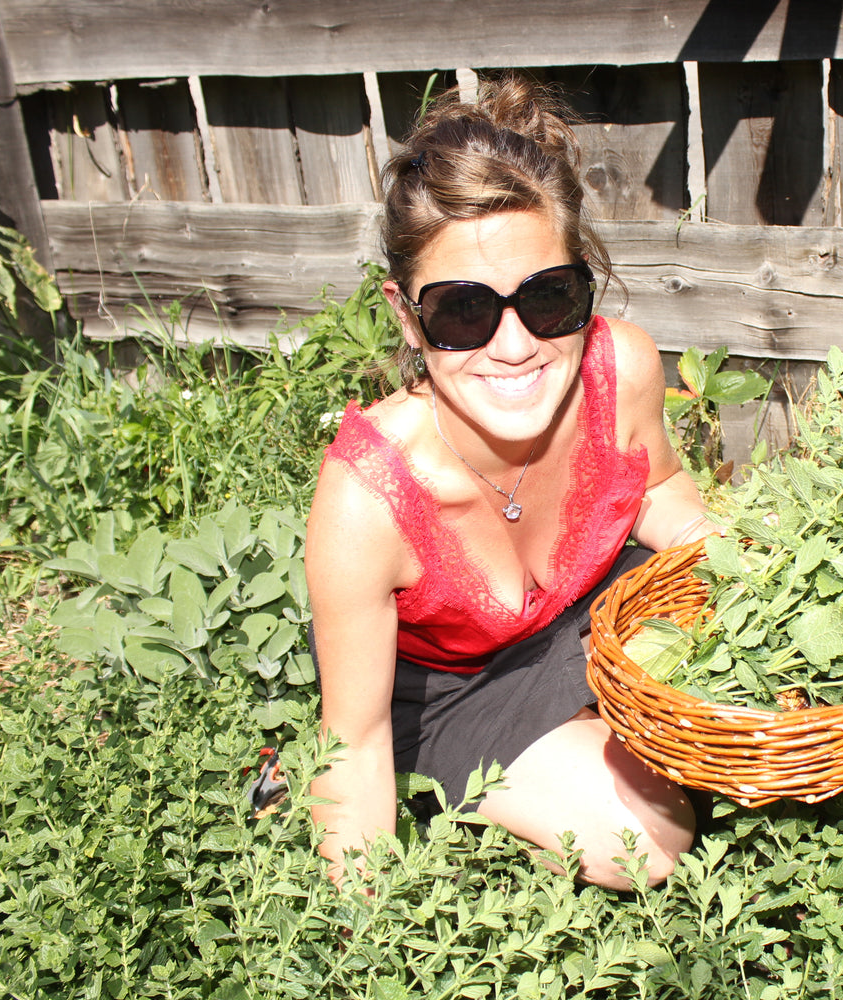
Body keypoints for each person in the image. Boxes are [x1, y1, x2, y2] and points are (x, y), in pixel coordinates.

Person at [305, 76, 717, 891]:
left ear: (583, 284)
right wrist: (354, 936)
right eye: (464, 312)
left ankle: (593, 725)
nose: (515, 345)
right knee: (648, 838)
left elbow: (659, 488)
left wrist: (723, 566)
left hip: (592, 613)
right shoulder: (366, 498)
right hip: (453, 690)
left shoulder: (621, 367)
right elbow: (350, 745)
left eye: (548, 298)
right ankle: (471, 786)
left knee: (769, 704)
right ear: (406, 317)